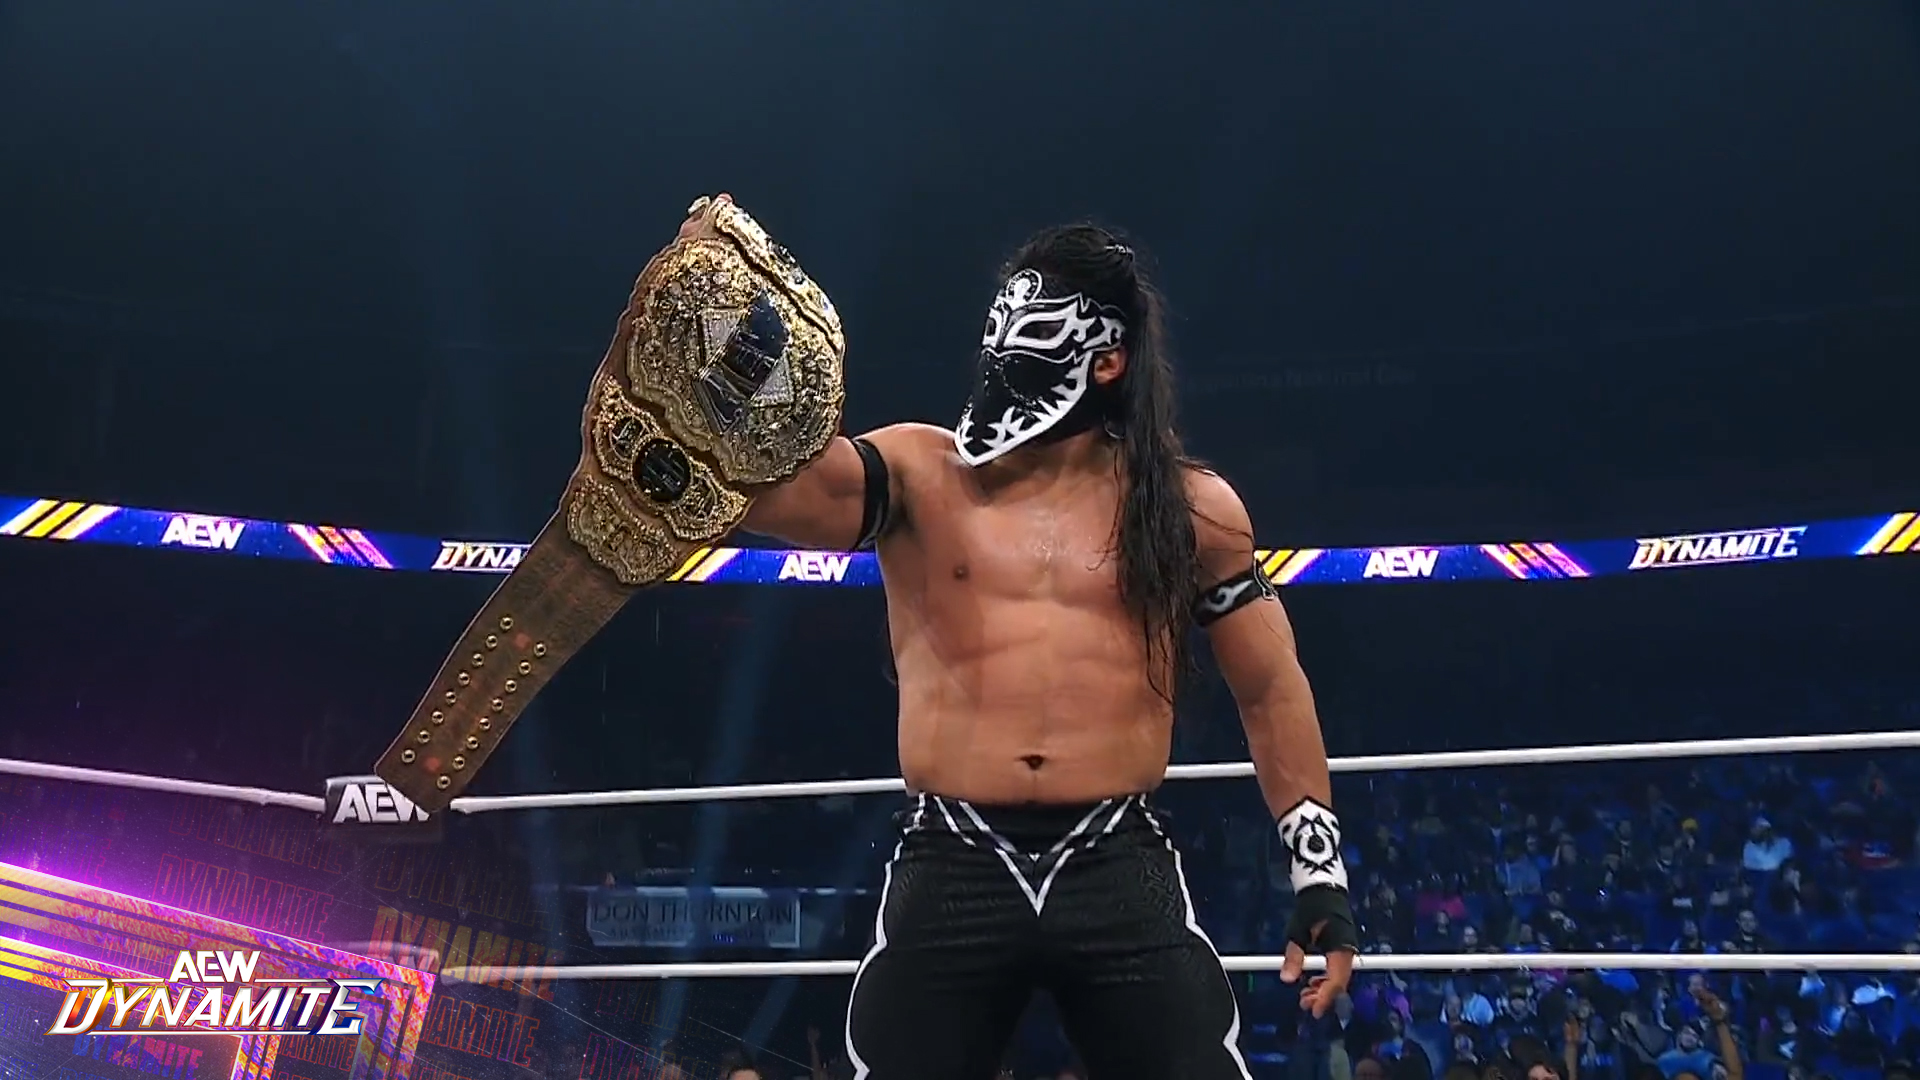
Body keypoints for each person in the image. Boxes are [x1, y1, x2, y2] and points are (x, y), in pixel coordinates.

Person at [731, 205, 1358, 1079]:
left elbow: (1270, 689)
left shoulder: (1190, 509)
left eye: (1035, 329)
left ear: (1107, 358)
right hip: (954, 850)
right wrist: (727, 332)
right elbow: (769, 490)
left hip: (1114, 852)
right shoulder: (918, 473)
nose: (1004, 351)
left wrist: (1319, 874)